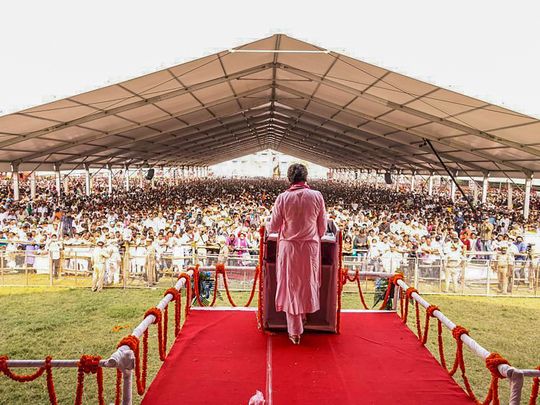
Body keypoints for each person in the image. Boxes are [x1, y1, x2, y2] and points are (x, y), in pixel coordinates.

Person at [267, 163, 327, 345]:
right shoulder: (317, 196)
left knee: (291, 287)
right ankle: (301, 320)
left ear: (289, 179)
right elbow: (322, 228)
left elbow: (274, 227)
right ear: (306, 177)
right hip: (310, 248)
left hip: (290, 249)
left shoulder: (283, 198)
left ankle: (294, 331)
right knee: (307, 284)